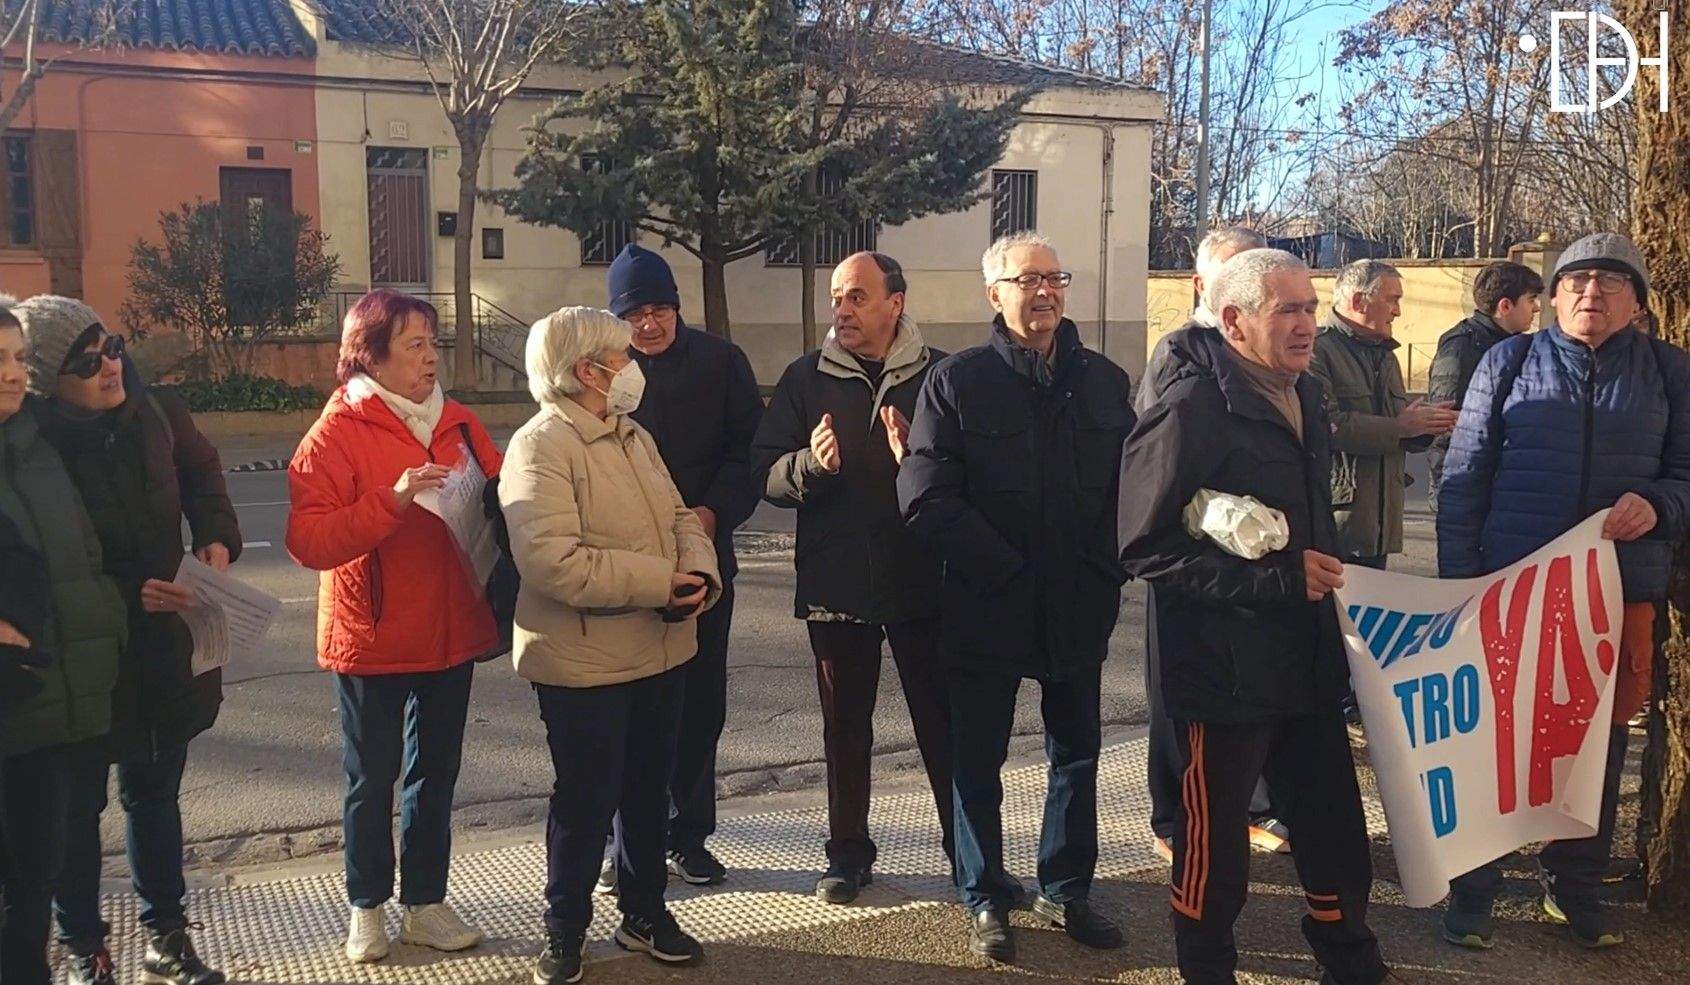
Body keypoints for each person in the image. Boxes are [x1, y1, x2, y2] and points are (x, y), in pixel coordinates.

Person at [1117, 248, 1391, 985]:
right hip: (1223, 676)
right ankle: (1207, 970)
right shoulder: (1190, 409)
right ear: (1234, 320)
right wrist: (1275, 579)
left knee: (1334, 829)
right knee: (1217, 853)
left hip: (1308, 665)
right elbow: (1142, 547)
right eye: (1288, 310)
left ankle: (1352, 961)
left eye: (1310, 305)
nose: (1307, 323)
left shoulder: (1305, 398)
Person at [1437, 232, 1690, 951]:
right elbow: (1462, 479)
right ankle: (1474, 886)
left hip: (1614, 593)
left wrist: (1661, 504)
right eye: (1577, 281)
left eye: (1612, 283)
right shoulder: (1508, 360)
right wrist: (1462, 587)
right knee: (1492, 739)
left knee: (1596, 750)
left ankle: (1574, 886)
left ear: (1639, 304)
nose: (1591, 294)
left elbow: (1688, 473)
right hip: (1511, 590)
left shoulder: (1671, 373)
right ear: (1551, 297)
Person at [898, 231, 1134, 963]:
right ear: (994, 293)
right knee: (978, 761)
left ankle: (1068, 888)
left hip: (1078, 604)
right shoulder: (957, 381)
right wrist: (1005, 571)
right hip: (986, 604)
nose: (1046, 291)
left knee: (1078, 754)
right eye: (1028, 279)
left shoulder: (1103, 380)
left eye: (1055, 277)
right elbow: (925, 493)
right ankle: (985, 895)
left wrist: (1103, 570)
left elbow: (1132, 488)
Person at [14, 296, 238, 985]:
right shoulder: (34, 443)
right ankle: (85, 946)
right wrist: (124, 591)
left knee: (155, 794)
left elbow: (203, 474)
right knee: (78, 811)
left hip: (167, 641)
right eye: (87, 362)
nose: (111, 366)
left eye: (111, 345)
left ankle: (166, 934)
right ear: (49, 381)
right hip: (86, 656)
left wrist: (217, 541)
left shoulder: (159, 410)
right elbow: (45, 559)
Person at [500, 306, 720, 985]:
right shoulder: (541, 445)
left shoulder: (632, 436)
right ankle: (565, 927)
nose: (634, 367)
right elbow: (552, 561)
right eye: (622, 356)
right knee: (586, 798)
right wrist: (660, 580)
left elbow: (681, 514)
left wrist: (698, 571)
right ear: (584, 369)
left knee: (649, 791)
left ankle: (644, 909)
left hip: (659, 647)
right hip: (583, 660)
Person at [287, 290, 501, 964]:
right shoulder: (336, 433)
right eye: (414, 345)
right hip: (370, 632)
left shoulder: (460, 423)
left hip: (450, 627)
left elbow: (502, 501)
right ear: (370, 355)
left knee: (435, 774)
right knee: (370, 778)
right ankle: (367, 907)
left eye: (432, 343)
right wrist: (394, 498)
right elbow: (309, 540)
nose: (430, 357)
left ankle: (427, 903)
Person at [751, 251, 953, 904]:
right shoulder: (805, 377)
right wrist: (808, 464)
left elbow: (971, 471)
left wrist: (917, 463)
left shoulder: (942, 375)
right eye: (838, 295)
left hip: (926, 580)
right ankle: (847, 855)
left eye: (858, 296)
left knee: (944, 723)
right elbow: (766, 471)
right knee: (845, 729)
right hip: (838, 582)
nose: (842, 308)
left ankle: (968, 848)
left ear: (896, 303)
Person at [598, 244, 763, 891]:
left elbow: (747, 449)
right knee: (629, 712)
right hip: (630, 569)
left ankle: (689, 835)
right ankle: (624, 846)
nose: (649, 324)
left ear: (677, 307)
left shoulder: (723, 363)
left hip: (704, 557)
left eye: (659, 308)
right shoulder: (605, 372)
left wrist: (714, 513)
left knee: (700, 707)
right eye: (635, 313)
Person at [1135, 226, 1290, 862]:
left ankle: (1252, 807)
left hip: (1257, 567)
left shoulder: (1277, 360)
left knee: (1250, 693)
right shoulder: (1179, 352)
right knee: (1179, 697)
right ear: (1203, 285)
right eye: (1231, 273)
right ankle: (1173, 819)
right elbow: (1154, 467)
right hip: (1192, 561)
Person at [0, 300, 126, 985]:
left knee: (33, 886)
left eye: (19, 358)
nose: (13, 374)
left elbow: (83, 553)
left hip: (50, 697)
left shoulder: (41, 444)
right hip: (14, 691)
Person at [1310, 259, 1458, 571]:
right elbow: (1326, 426)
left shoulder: (1386, 355)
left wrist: (1426, 426)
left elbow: (1397, 428)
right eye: (1392, 299)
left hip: (1378, 526)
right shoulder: (1316, 350)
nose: (1398, 311)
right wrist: (1401, 427)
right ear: (1359, 301)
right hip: (1336, 524)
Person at [1425, 261, 1544, 513]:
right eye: (1530, 299)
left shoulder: (1515, 346)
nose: (1536, 307)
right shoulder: (1461, 347)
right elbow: (1446, 423)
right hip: (1467, 484)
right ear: (1505, 306)